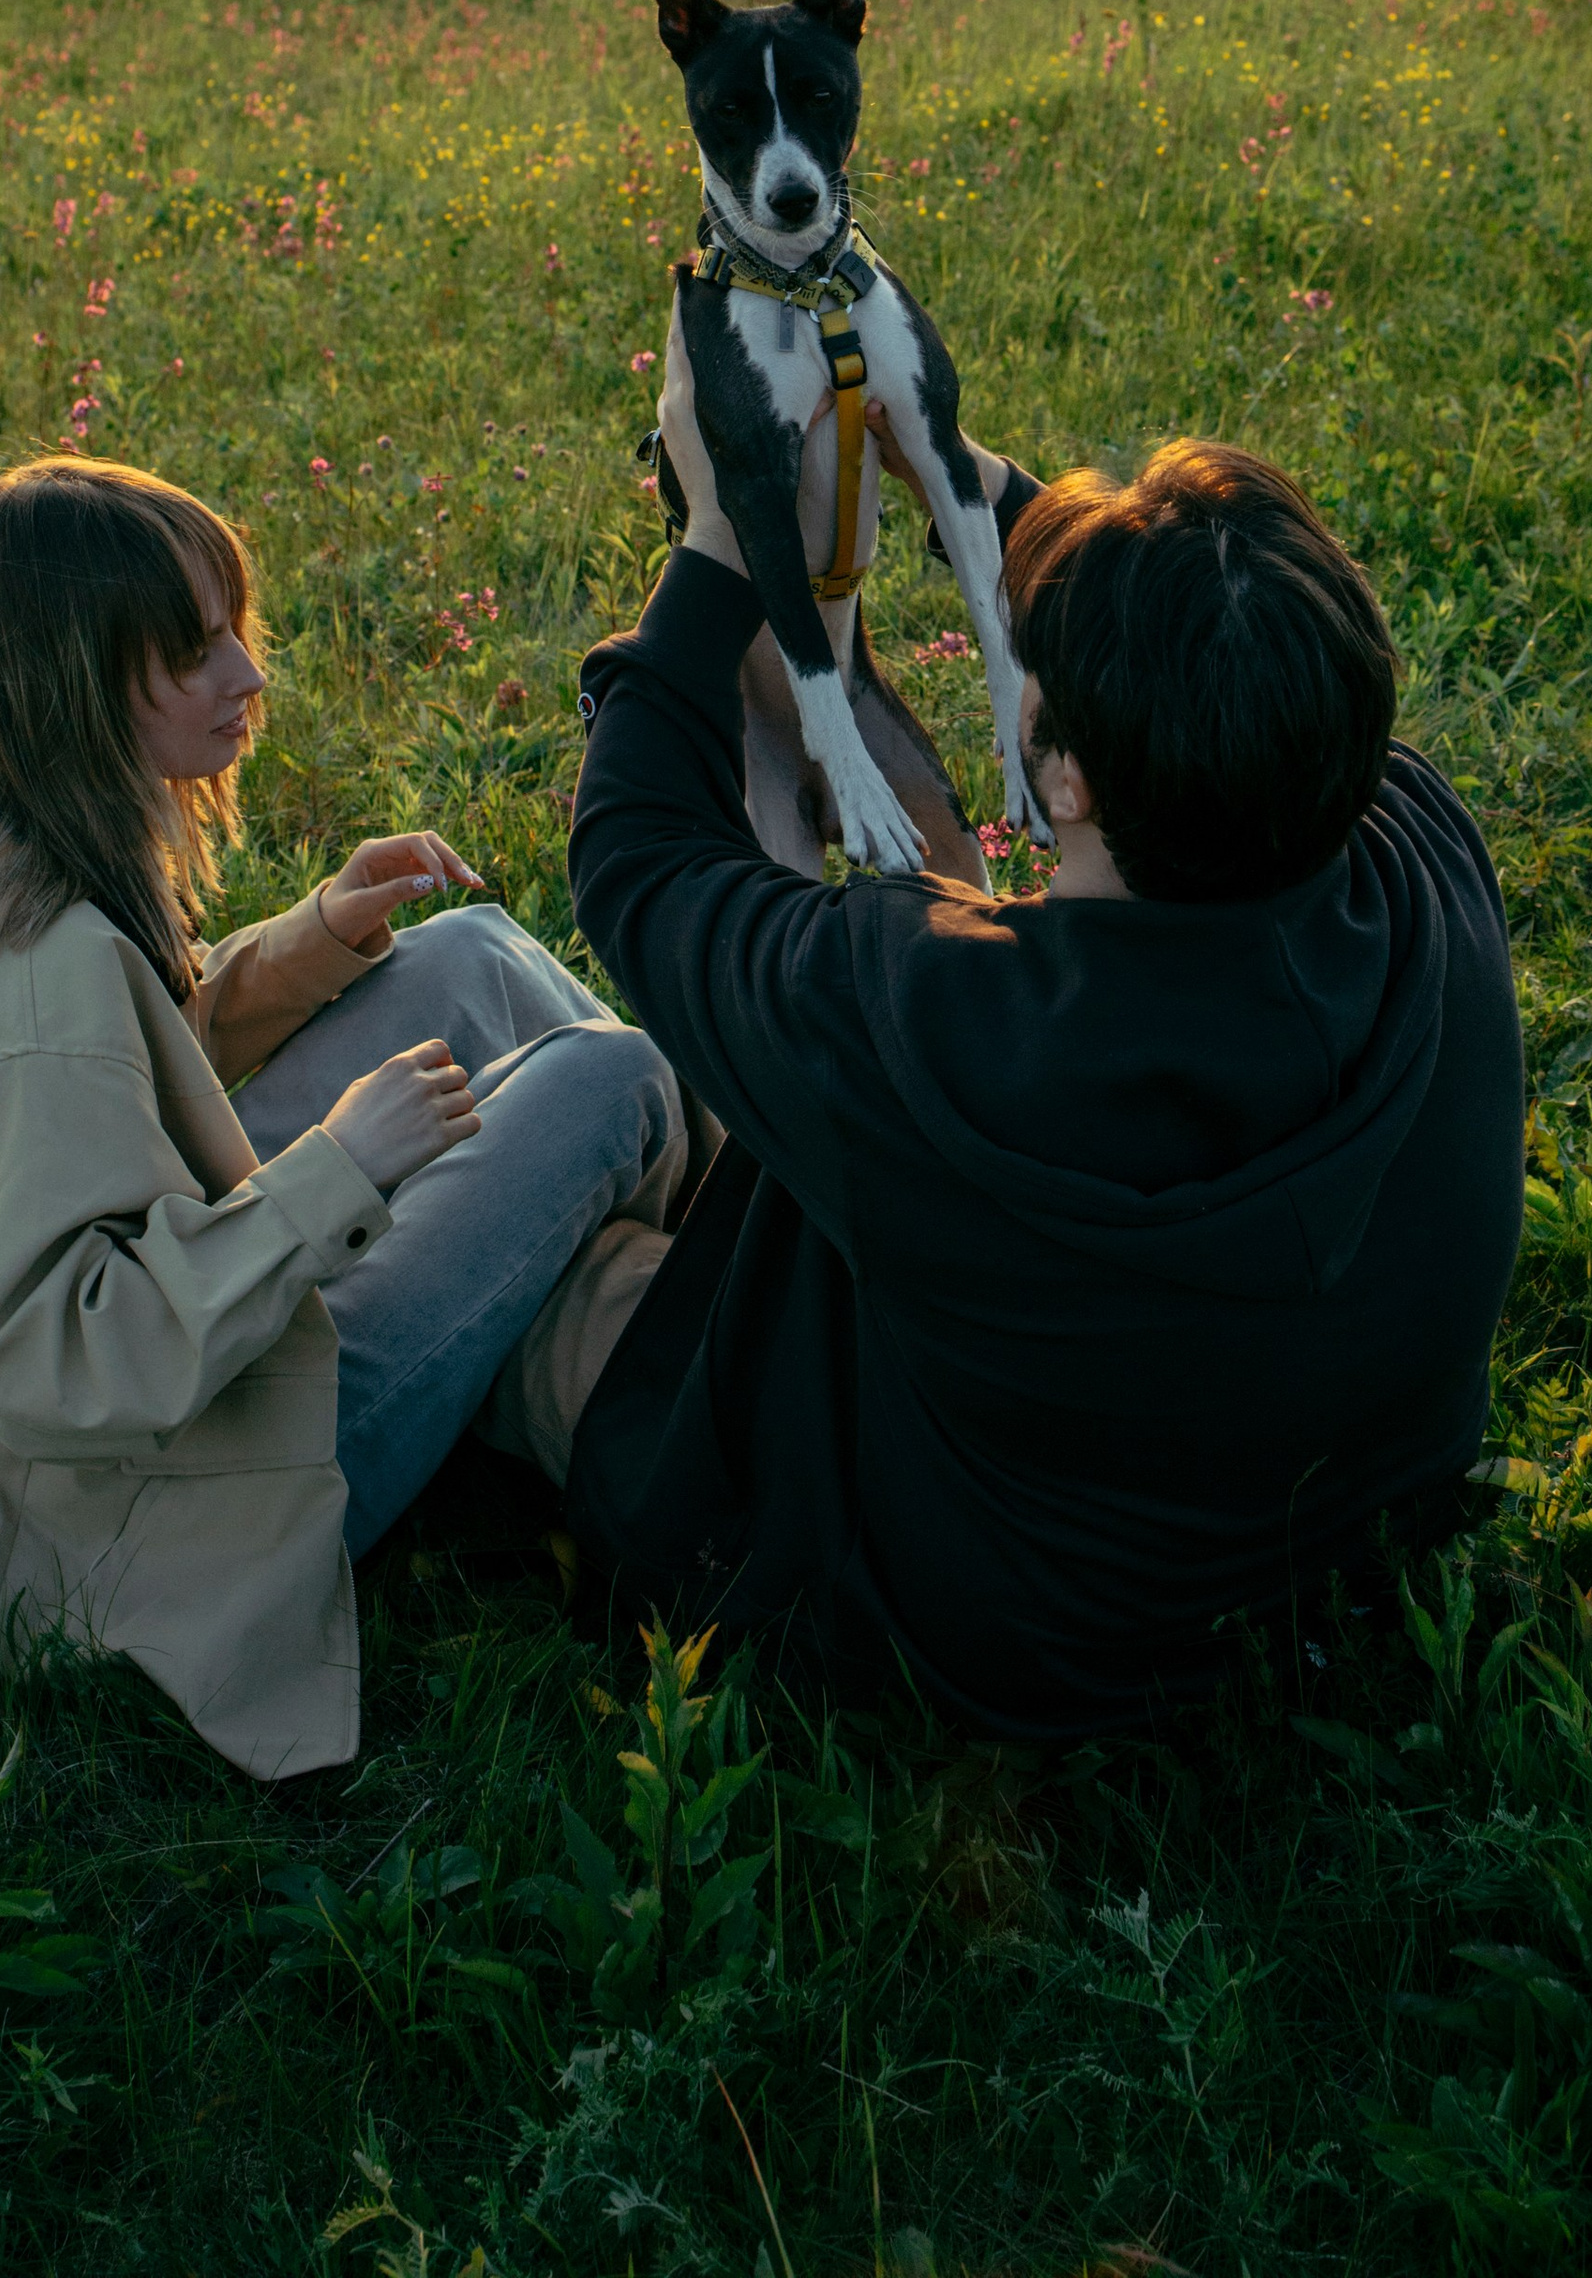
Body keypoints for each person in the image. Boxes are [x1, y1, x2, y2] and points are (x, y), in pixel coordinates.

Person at [0, 455, 684, 1778]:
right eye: (192, 653)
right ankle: (725, 1301)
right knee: (604, 1079)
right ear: (76, 687)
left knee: (472, 955)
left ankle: (669, 1283)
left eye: (234, 628)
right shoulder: (16, 998)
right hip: (155, 1514)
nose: (248, 673)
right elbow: (51, 1369)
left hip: (176, 1395)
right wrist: (339, 1170)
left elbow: (118, 1068)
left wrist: (311, 942)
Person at [558, 348, 1524, 1738]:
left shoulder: (939, 1025)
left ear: (1062, 777)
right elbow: (1234, 662)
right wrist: (955, 472)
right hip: (1354, 1554)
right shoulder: (1423, 861)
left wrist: (722, 531)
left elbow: (641, 862)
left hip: (1019, 1638)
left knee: (585, 1293)